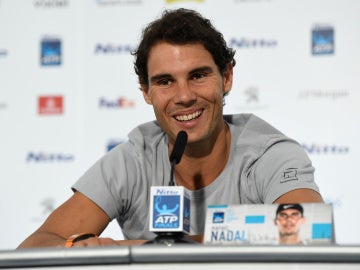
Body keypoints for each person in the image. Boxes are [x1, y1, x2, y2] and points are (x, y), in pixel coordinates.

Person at [18, 8, 323, 248]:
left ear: (226, 77)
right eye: (165, 82)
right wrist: (75, 246)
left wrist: (151, 248)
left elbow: (310, 231)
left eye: (198, 75)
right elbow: (36, 246)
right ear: (146, 91)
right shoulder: (133, 160)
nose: (185, 96)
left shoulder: (268, 154)